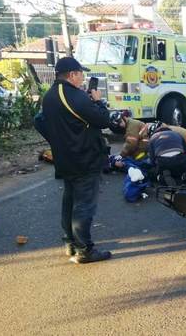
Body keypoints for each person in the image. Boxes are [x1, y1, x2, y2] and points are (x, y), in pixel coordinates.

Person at [42, 57, 112, 264]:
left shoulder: (49, 96)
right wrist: (98, 101)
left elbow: (41, 123)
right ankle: (84, 250)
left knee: (70, 201)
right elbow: (103, 120)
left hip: (65, 158)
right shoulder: (76, 96)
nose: (83, 78)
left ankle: (70, 243)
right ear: (72, 75)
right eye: (81, 74)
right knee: (84, 205)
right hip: (84, 158)